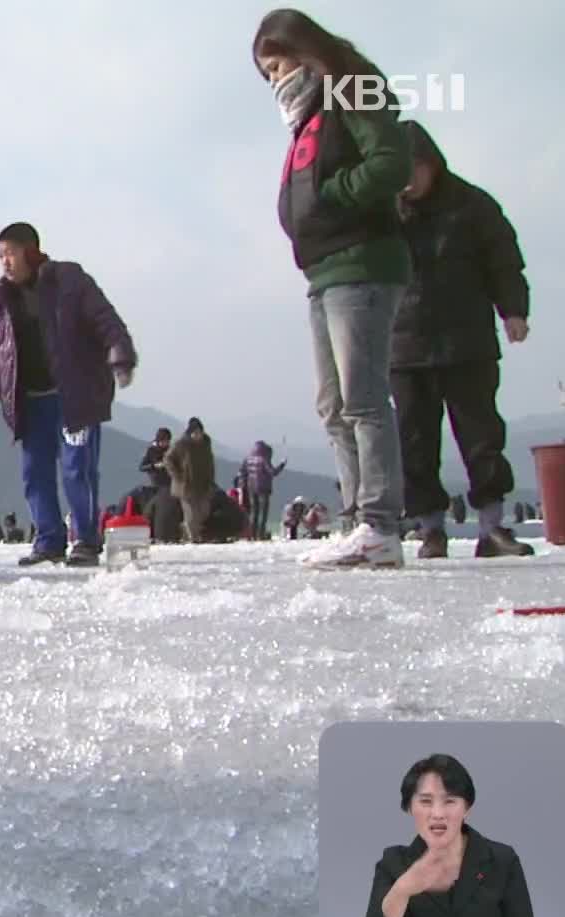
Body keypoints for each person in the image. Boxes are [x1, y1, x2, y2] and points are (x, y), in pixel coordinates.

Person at [254, 10, 412, 569]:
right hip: (321, 270)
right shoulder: (307, 116)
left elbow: (393, 162)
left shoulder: (353, 87)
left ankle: (380, 522)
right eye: (266, 74)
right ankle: (355, 520)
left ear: (304, 51)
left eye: (277, 65)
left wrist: (333, 196)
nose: (275, 80)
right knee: (332, 405)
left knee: (363, 396)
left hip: (362, 262)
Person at [389, 121, 534, 560]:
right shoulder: (384, 213)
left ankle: (493, 526)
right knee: (414, 441)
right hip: (404, 345)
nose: (408, 181)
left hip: (466, 340)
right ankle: (431, 528)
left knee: (482, 436)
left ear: (432, 165)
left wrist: (513, 309)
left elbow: (504, 258)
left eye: (414, 169)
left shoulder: (472, 206)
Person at [0, 221, 138, 567]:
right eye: (0, 255)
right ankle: (48, 539)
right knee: (35, 473)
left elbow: (106, 320)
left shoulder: (69, 281)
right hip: (30, 400)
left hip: (73, 396)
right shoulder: (0, 300)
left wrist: (120, 357)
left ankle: (86, 540)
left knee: (78, 469)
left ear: (31, 252)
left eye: (11, 253)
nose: (5, 262)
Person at [361, 754, 540, 917]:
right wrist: (403, 889)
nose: (437, 814)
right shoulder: (394, 862)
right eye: (425, 801)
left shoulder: (502, 860)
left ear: (467, 808)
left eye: (450, 801)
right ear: (409, 808)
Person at [165, 418, 217, 544]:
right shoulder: (181, 444)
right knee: (191, 513)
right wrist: (178, 476)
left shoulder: (206, 443)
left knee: (204, 511)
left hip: (203, 483)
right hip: (185, 485)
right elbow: (168, 459)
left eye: (200, 432)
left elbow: (210, 462)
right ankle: (194, 538)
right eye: (195, 432)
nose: (198, 435)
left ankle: (186, 529)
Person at [242, 440, 287, 540]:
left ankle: (251, 535)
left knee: (254, 512)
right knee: (263, 513)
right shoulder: (263, 459)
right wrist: (282, 464)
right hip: (263, 488)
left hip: (251, 488)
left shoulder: (248, 459)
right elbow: (273, 472)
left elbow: (243, 473)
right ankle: (260, 534)